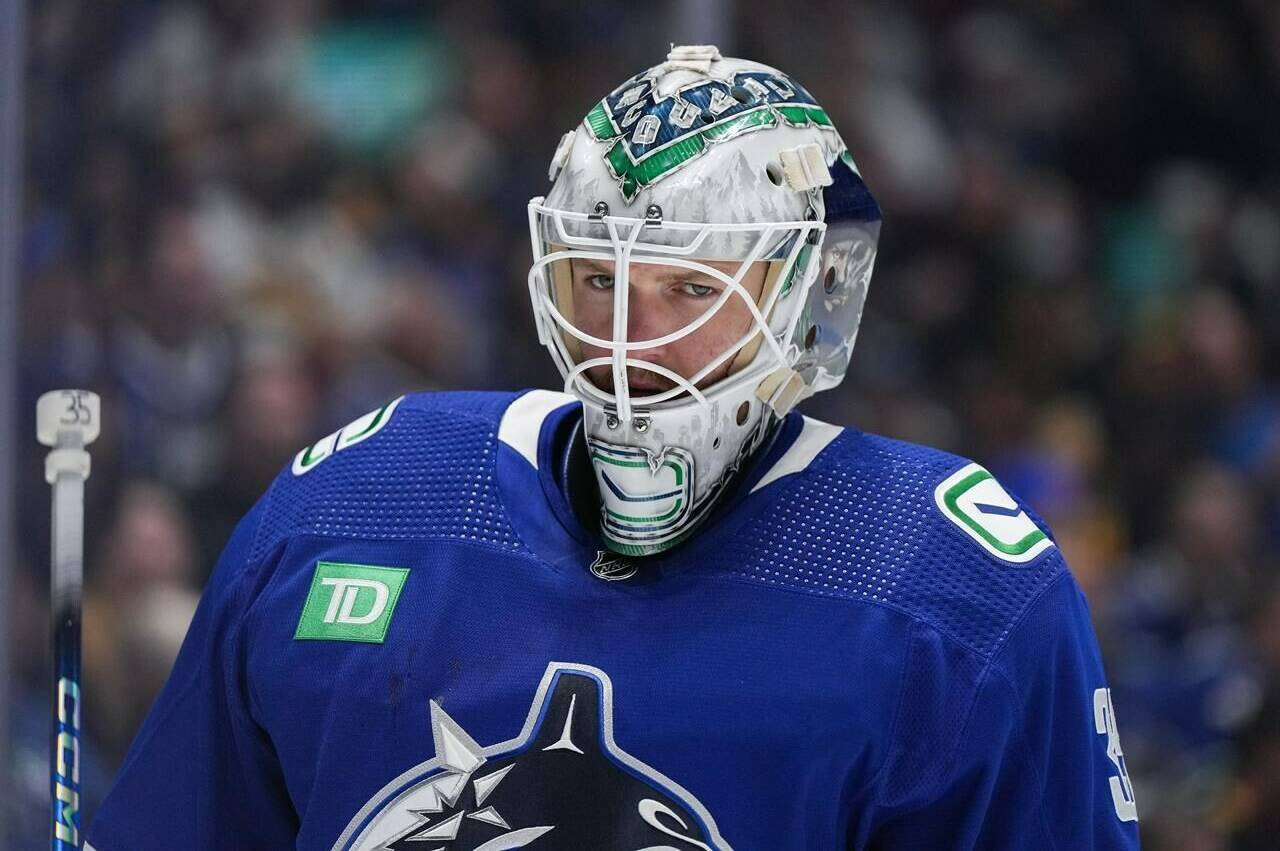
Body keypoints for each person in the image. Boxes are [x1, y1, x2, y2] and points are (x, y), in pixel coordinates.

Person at [86, 45, 1141, 850]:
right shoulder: (355, 497)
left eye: (690, 288)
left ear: (811, 297)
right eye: (599, 279)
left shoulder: (955, 596)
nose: (631, 344)